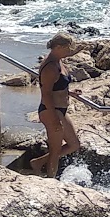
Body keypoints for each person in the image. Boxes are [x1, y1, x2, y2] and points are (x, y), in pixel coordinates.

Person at [36, 33, 82, 178]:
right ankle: (51, 181)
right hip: (51, 111)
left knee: (74, 144)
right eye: (68, 48)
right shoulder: (50, 67)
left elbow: (59, 86)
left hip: (60, 110)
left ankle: (38, 163)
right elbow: (46, 94)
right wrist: (54, 118)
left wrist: (70, 92)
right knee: (55, 152)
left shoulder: (58, 61)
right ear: (58, 47)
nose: (70, 51)